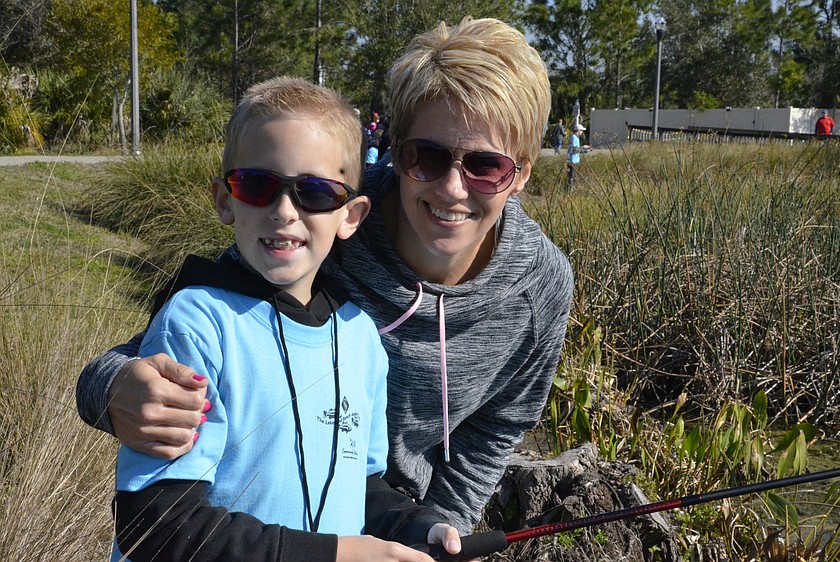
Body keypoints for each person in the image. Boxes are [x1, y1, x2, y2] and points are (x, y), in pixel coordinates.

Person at [77, 17, 574, 534]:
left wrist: (435, 530)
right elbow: (160, 351)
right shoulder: (319, 214)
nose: (452, 187)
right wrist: (114, 389)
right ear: (398, 149)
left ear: (522, 173)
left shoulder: (539, 287)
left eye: (486, 166)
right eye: (426, 156)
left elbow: (500, 424)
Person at [109, 76, 460, 562]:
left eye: (315, 192)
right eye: (257, 185)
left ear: (351, 215)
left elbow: (363, 489)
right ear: (224, 199)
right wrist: (336, 555)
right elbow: (156, 527)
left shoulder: (361, 339)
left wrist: (414, 527)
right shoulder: (196, 324)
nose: (284, 211)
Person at [566, 123, 585, 189]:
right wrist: (583, 149)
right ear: (578, 130)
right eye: (581, 130)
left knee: (574, 176)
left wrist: (586, 149)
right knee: (571, 177)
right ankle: (570, 190)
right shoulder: (574, 137)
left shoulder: (576, 138)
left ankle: (571, 189)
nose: (582, 132)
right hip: (572, 160)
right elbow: (574, 149)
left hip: (575, 160)